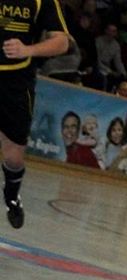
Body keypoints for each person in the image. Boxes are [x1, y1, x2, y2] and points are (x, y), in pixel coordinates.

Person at [0, 0, 69, 228]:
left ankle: (12, 196)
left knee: (14, 156)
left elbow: (62, 42)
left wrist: (27, 50)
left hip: (17, 84)